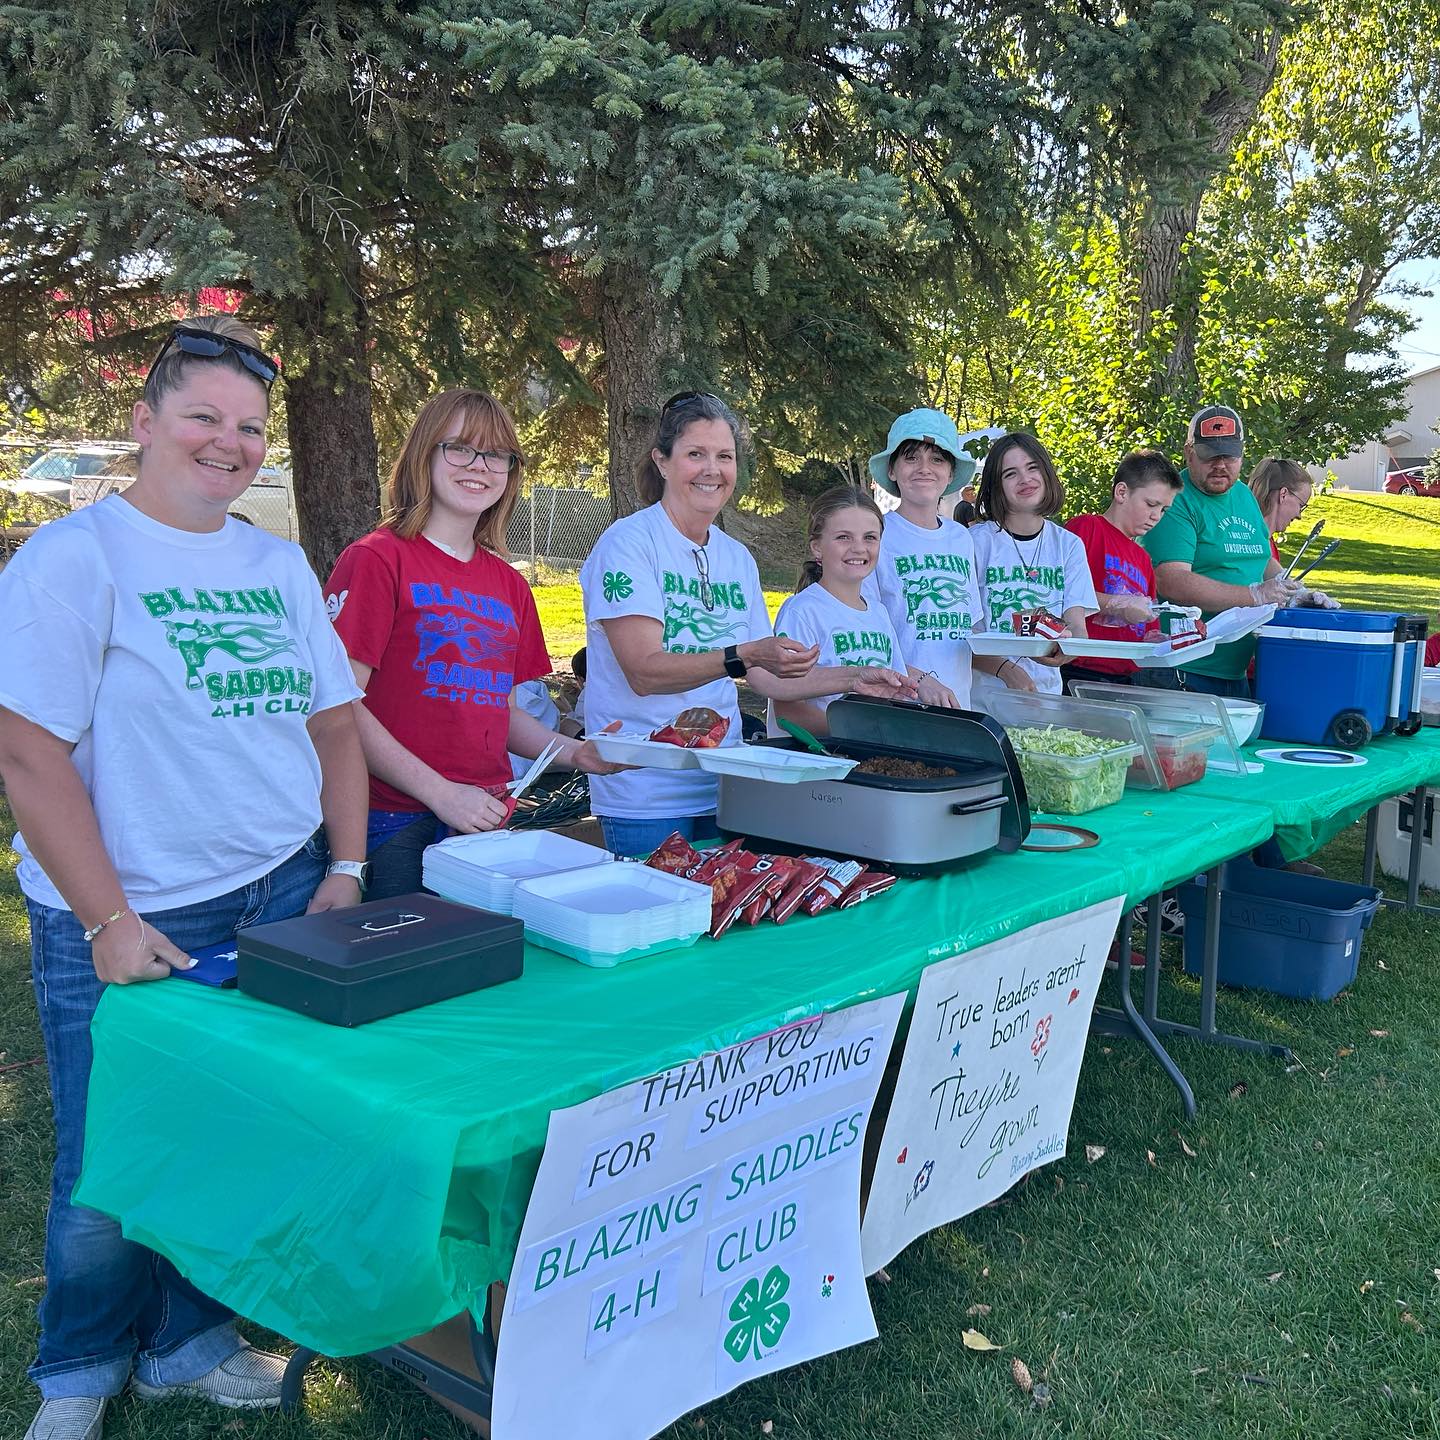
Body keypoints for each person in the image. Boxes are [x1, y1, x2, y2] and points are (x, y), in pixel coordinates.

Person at [0, 315, 370, 1440]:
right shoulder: (73, 559)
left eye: (251, 427)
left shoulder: (275, 562)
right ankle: (77, 1368)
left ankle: (188, 1345)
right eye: (204, 415)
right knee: (112, 1155)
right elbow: (26, 751)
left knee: (230, 1133)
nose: (229, 441)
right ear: (145, 420)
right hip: (129, 908)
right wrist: (107, 916)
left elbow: (336, 727)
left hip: (277, 886)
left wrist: (345, 865)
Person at [579, 391, 911, 856]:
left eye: (724, 456)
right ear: (662, 461)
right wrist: (744, 655)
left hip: (726, 784)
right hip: (645, 792)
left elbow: (766, 678)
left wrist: (856, 679)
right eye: (696, 454)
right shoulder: (629, 544)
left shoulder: (736, 557)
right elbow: (644, 672)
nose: (712, 469)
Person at [324, 389, 618, 898]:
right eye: (460, 447)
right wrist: (441, 793)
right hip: (392, 820)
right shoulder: (377, 558)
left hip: (484, 817)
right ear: (424, 453)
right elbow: (339, 705)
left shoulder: (510, 585)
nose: (479, 466)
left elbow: (498, 715)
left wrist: (579, 755)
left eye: (496, 454)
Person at [1140, 406, 1335, 697]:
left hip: (1234, 669)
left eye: (1229, 456)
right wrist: (1254, 596)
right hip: (1184, 670)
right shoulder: (1176, 500)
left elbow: (1260, 556)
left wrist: (1293, 590)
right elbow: (1172, 580)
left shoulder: (1242, 495)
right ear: (1189, 452)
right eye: (1210, 455)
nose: (1220, 465)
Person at [770, 485, 957, 737]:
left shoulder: (879, 614)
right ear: (817, 547)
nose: (859, 548)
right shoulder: (802, 612)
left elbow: (896, 695)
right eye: (843, 537)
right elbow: (787, 712)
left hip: (870, 760)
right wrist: (863, 731)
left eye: (870, 537)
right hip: (820, 765)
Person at [862, 408, 985, 708]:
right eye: (911, 457)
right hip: (897, 705)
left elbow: (972, 628)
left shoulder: (961, 539)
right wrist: (918, 679)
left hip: (957, 707)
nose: (924, 468)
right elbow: (864, 633)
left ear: (951, 473)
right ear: (892, 470)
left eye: (937, 459)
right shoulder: (874, 535)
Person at [971, 432, 1099, 695]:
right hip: (985, 703)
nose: (1025, 479)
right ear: (997, 486)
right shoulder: (974, 543)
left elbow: (1076, 627)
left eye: (1032, 468)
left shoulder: (1069, 545)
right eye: (1010, 473)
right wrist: (1006, 670)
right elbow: (959, 636)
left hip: (1046, 700)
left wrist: (1067, 650)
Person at [1061, 450, 1183, 690]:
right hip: (1078, 670)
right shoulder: (1086, 528)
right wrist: (1116, 603)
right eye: (1151, 504)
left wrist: (1164, 640)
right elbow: (1060, 594)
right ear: (1122, 492)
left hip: (1127, 679)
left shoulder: (1144, 559)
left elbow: (1148, 630)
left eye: (1163, 510)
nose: (1156, 516)